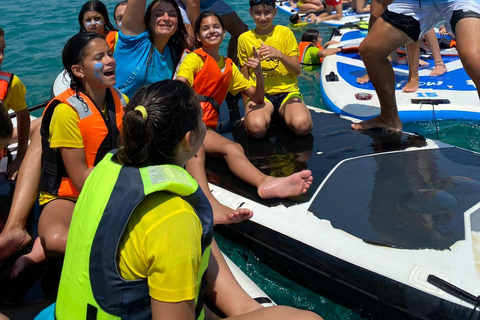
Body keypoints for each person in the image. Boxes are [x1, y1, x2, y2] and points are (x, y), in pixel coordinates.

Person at [33, 79, 322, 320]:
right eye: (201, 120)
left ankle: (245, 307)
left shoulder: (109, 166)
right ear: (189, 140)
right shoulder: (175, 219)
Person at [176, 11, 313, 223]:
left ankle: (265, 182)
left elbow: (257, 97)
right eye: (205, 28)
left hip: (205, 129)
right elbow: (181, 82)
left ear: (223, 33)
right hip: (184, 125)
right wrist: (193, 110)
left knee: (234, 148)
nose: (212, 30)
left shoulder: (228, 67)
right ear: (199, 37)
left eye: (216, 27)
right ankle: (207, 203)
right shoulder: (194, 58)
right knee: (196, 143)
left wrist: (257, 73)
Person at [10, 32, 127, 277]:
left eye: (109, 54)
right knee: (55, 238)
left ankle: (41, 252)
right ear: (78, 70)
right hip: (68, 198)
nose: (109, 61)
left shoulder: (117, 98)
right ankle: (47, 248)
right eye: (99, 57)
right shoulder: (66, 112)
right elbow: (81, 179)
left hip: (111, 187)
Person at [352, 0, 480, 132]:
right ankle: (389, 119)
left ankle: (423, 71)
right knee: (370, 50)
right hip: (415, 2)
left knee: (474, 59)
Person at [238, 0, 313, 139]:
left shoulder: (285, 33)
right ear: (250, 13)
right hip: (261, 96)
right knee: (256, 129)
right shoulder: (244, 39)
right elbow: (245, 80)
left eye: (267, 12)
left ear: (275, 12)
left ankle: (286, 112)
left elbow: (297, 71)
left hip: (287, 92)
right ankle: (267, 114)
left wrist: (279, 55)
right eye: (257, 13)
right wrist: (246, 111)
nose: (263, 17)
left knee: (302, 127)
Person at [113, 0, 189, 98]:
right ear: (148, 20)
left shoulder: (175, 52)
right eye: (159, 14)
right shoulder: (134, 41)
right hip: (115, 110)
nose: (166, 18)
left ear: (178, 23)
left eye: (172, 15)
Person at [175, 0, 248, 64]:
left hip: (209, 2)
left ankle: (231, 71)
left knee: (242, 32)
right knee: (189, 42)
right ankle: (199, 69)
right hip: (184, 3)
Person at [0, 28, 30, 181]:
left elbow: (23, 115)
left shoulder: (11, 84)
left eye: (2, 50)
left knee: (39, 127)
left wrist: (21, 156)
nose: (1, 57)